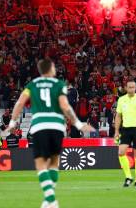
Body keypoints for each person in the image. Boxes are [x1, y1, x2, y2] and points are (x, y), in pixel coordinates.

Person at [7, 58, 94, 208]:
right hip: (57, 126)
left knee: (41, 164)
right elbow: (65, 106)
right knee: (54, 162)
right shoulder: (59, 84)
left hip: (40, 125)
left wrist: (12, 122)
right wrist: (79, 124)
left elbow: (20, 103)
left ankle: (51, 199)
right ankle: (49, 200)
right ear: (50, 69)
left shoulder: (32, 85)